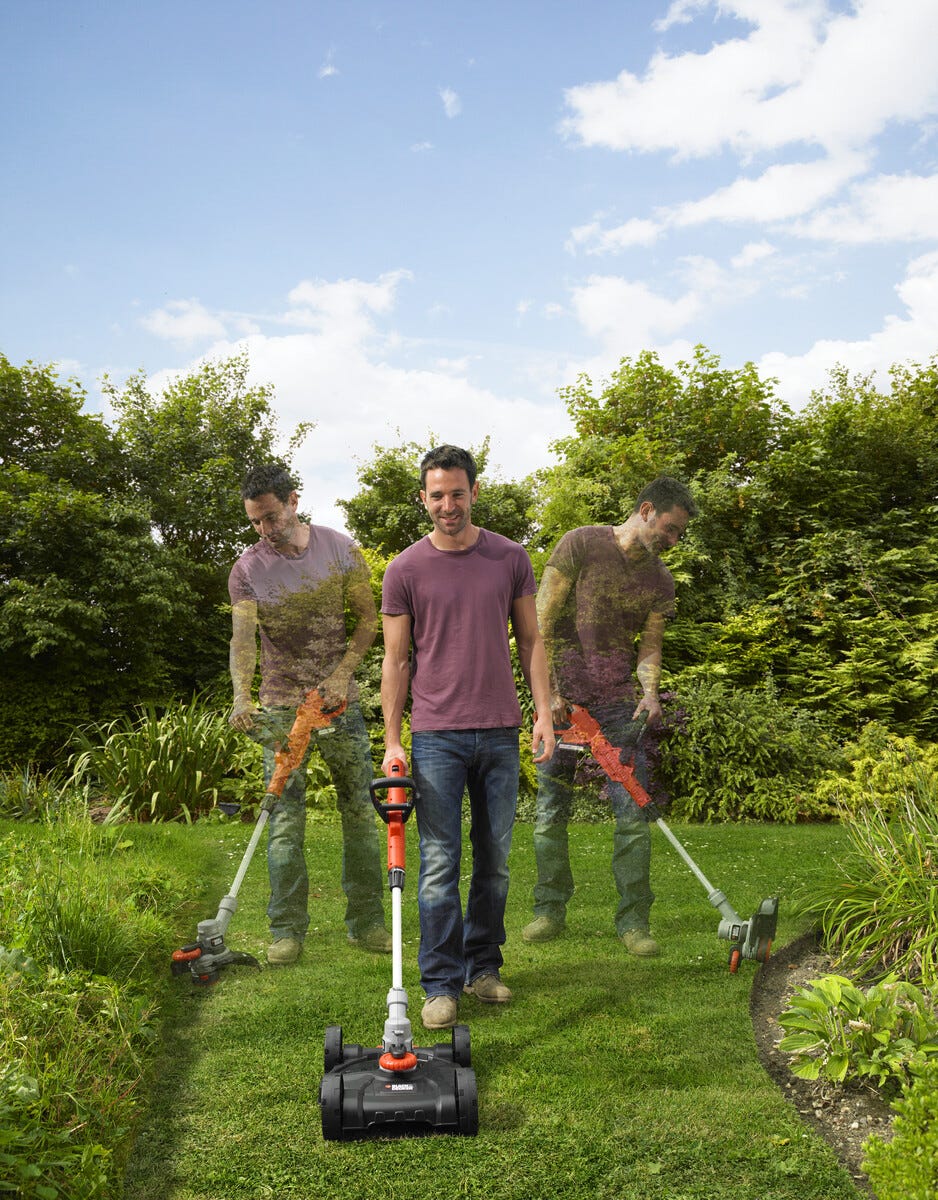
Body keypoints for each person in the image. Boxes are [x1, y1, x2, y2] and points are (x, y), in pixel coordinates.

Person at [381, 445, 555, 1030]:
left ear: (474, 492)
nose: (448, 505)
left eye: (458, 493)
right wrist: (393, 739)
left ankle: (483, 967)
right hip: (436, 736)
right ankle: (439, 983)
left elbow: (532, 640)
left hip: (500, 730)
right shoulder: (405, 569)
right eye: (437, 495)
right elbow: (396, 660)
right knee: (438, 862)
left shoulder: (509, 557)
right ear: (423, 499)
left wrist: (543, 713)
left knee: (495, 860)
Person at [521, 476, 697, 955]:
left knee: (633, 813)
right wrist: (548, 694)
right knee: (550, 813)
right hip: (562, 705)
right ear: (646, 510)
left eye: (680, 534)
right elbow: (540, 622)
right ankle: (549, 910)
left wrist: (650, 693)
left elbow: (650, 645)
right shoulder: (580, 544)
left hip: (619, 707)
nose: (673, 540)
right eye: (670, 528)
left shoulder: (660, 580)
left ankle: (634, 922)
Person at [228, 464, 388, 965]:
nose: (265, 529)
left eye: (271, 517)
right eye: (256, 522)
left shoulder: (339, 548)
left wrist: (342, 675)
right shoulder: (247, 568)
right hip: (280, 707)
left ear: (293, 501)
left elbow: (368, 619)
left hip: (339, 702)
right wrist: (241, 696)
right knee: (283, 821)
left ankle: (367, 923)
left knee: (359, 812)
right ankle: (286, 930)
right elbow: (243, 638)